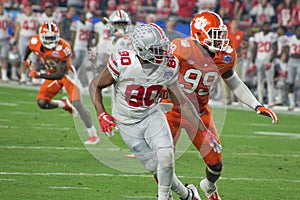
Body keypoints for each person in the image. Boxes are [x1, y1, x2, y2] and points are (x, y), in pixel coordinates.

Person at [89, 23, 221, 200]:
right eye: (157, 49)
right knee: (154, 167)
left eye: (163, 48)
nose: (164, 53)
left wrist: (205, 131)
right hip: (127, 122)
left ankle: (163, 197)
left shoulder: (168, 66)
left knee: (166, 157)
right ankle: (188, 195)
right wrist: (102, 114)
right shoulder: (123, 62)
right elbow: (95, 86)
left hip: (151, 114)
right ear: (142, 50)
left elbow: (181, 102)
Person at [165, 11, 278, 200]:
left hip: (200, 112)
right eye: (214, 34)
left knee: (215, 163)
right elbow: (162, 76)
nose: (221, 40)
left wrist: (257, 105)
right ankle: (183, 195)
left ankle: (208, 186)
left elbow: (233, 80)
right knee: (163, 162)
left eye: (220, 34)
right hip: (171, 110)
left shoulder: (224, 55)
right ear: (200, 35)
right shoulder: (180, 48)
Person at [22, 22, 99, 145]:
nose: (50, 41)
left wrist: (38, 75)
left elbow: (60, 74)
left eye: (53, 38)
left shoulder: (63, 47)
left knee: (77, 103)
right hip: (51, 74)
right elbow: (28, 49)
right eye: (47, 38)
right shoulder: (35, 41)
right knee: (42, 102)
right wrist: (27, 60)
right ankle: (63, 104)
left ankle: (93, 135)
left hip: (67, 75)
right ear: (41, 37)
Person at [251, 22, 277, 106]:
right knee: (260, 81)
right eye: (264, 25)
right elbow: (255, 48)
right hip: (259, 59)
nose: (266, 27)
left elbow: (274, 49)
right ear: (262, 27)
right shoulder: (258, 35)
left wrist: (270, 61)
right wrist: (253, 61)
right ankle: (260, 100)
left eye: (267, 26)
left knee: (270, 81)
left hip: (268, 59)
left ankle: (270, 101)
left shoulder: (272, 36)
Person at [284, 25, 300, 111]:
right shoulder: (290, 38)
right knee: (290, 82)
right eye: (298, 30)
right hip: (292, 60)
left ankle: (297, 101)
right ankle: (292, 103)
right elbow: (286, 48)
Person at [0, 4, 16, 82]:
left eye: (2, 7)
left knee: (4, 57)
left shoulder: (7, 16)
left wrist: (13, 36)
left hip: (4, 39)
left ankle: (4, 76)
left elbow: (14, 26)